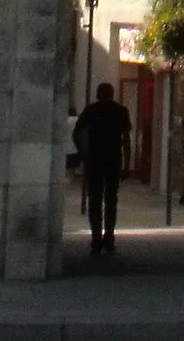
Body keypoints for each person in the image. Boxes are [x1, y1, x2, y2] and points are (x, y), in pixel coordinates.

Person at [71, 83, 132, 256]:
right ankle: (109, 237)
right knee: (111, 201)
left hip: (95, 160)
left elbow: (76, 133)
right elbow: (126, 139)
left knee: (95, 201)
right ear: (112, 94)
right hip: (112, 160)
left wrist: (83, 153)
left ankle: (96, 238)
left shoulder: (91, 110)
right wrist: (126, 164)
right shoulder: (120, 111)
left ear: (98, 94)